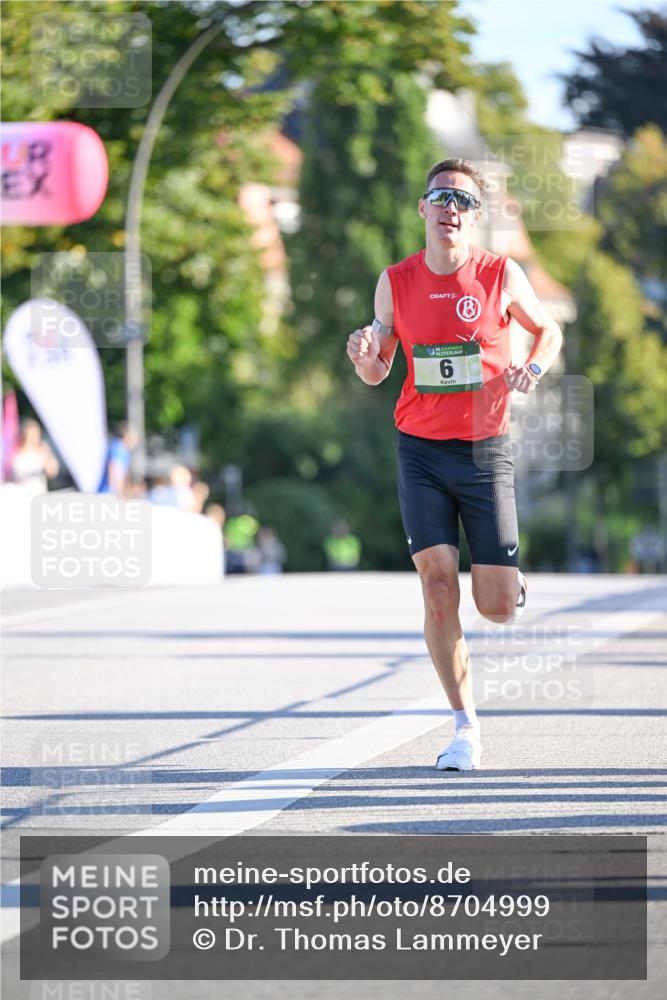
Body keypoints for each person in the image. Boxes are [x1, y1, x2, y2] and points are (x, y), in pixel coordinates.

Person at [346, 158, 563, 771]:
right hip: (419, 450)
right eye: (442, 197)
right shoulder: (395, 281)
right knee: (438, 587)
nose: (451, 209)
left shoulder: (500, 274)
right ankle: (465, 727)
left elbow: (548, 331)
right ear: (423, 207)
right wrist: (363, 354)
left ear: (475, 216)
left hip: (484, 451)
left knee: (495, 606)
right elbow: (378, 369)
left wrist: (533, 367)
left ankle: (509, 580)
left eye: (464, 201)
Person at [11, 418, 59, 495]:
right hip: (22, 493)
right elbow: (14, 474)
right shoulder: (17, 451)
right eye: (32, 434)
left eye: (36, 434)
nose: (34, 437)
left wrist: (48, 461)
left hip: (39, 492)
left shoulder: (43, 449)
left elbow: (53, 472)